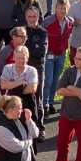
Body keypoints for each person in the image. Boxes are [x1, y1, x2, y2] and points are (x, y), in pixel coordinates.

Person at [41, 0, 74, 114]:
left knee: (56, 81)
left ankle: (50, 102)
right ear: (56, 8)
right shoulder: (47, 21)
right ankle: (44, 104)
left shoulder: (70, 22)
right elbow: (40, 33)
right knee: (48, 80)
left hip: (61, 55)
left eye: (65, 8)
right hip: (49, 54)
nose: (63, 11)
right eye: (61, 8)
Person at [23, 7, 48, 135]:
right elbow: (18, 48)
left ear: (38, 18)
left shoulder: (42, 33)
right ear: (25, 17)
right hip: (23, 69)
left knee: (38, 99)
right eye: (29, 17)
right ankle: (25, 127)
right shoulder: (22, 31)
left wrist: (27, 47)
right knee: (23, 99)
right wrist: (34, 46)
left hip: (38, 69)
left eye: (34, 17)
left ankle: (40, 129)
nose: (32, 19)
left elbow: (42, 51)